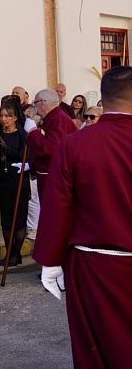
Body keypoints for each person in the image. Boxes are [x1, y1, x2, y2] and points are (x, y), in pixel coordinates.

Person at [33, 66, 132, 368]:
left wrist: (50, 261)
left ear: (104, 99)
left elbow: (57, 206)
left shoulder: (75, 144)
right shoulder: (74, 142)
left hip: (93, 267)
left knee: (95, 349)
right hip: (94, 260)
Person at [0, 100, 31, 266]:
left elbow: (24, 156)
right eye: (1, 116)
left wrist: (6, 148)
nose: (3, 119)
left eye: (7, 116)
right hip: (3, 181)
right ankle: (9, 252)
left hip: (18, 181)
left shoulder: (22, 135)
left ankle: (16, 253)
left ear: (15, 118)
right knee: (6, 219)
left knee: (19, 219)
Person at [25, 89, 76, 200]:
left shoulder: (59, 119)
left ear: (42, 102)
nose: (34, 106)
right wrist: (31, 164)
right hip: (49, 175)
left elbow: (51, 149)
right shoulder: (54, 118)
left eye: (35, 102)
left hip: (54, 177)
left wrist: (32, 132)